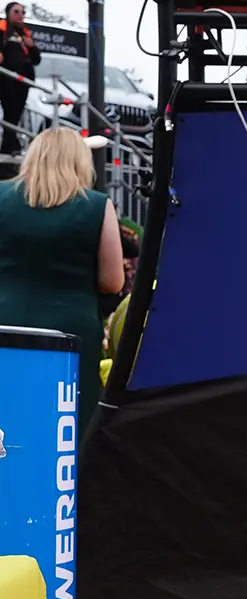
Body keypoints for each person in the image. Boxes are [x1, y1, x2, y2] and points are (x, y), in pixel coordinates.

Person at [0, 128, 124, 435]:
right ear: (81, 162)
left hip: (5, 323)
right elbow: (113, 281)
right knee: (65, 424)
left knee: (9, 414)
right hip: (70, 331)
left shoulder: (1, 197)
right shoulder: (97, 205)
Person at [0, 5, 38, 157]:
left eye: (23, 12)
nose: (20, 15)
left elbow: (36, 60)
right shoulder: (2, 30)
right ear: (8, 13)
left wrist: (33, 47)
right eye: (16, 12)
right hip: (5, 78)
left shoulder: (25, 34)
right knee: (10, 110)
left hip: (23, 81)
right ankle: (9, 145)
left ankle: (9, 145)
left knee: (16, 113)